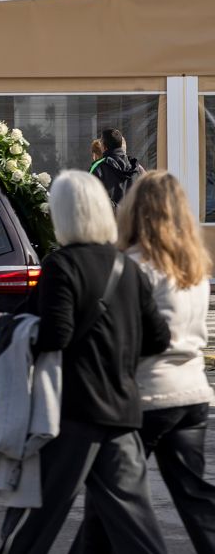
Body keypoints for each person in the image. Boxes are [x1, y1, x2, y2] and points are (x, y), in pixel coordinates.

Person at [0, 170, 171, 554]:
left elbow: (56, 335)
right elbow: (159, 338)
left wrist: (17, 331)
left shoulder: (62, 266)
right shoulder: (128, 267)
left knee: (38, 515)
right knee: (135, 521)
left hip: (72, 413)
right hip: (122, 412)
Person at [73, 171, 215, 553]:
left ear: (134, 210)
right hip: (193, 394)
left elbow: (123, 336)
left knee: (112, 498)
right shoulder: (195, 268)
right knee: (194, 496)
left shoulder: (130, 266)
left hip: (144, 397)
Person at [90, 128, 144, 206]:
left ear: (104, 147)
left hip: (108, 217)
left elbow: (89, 197)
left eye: (101, 142)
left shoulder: (98, 167)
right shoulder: (137, 168)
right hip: (132, 217)